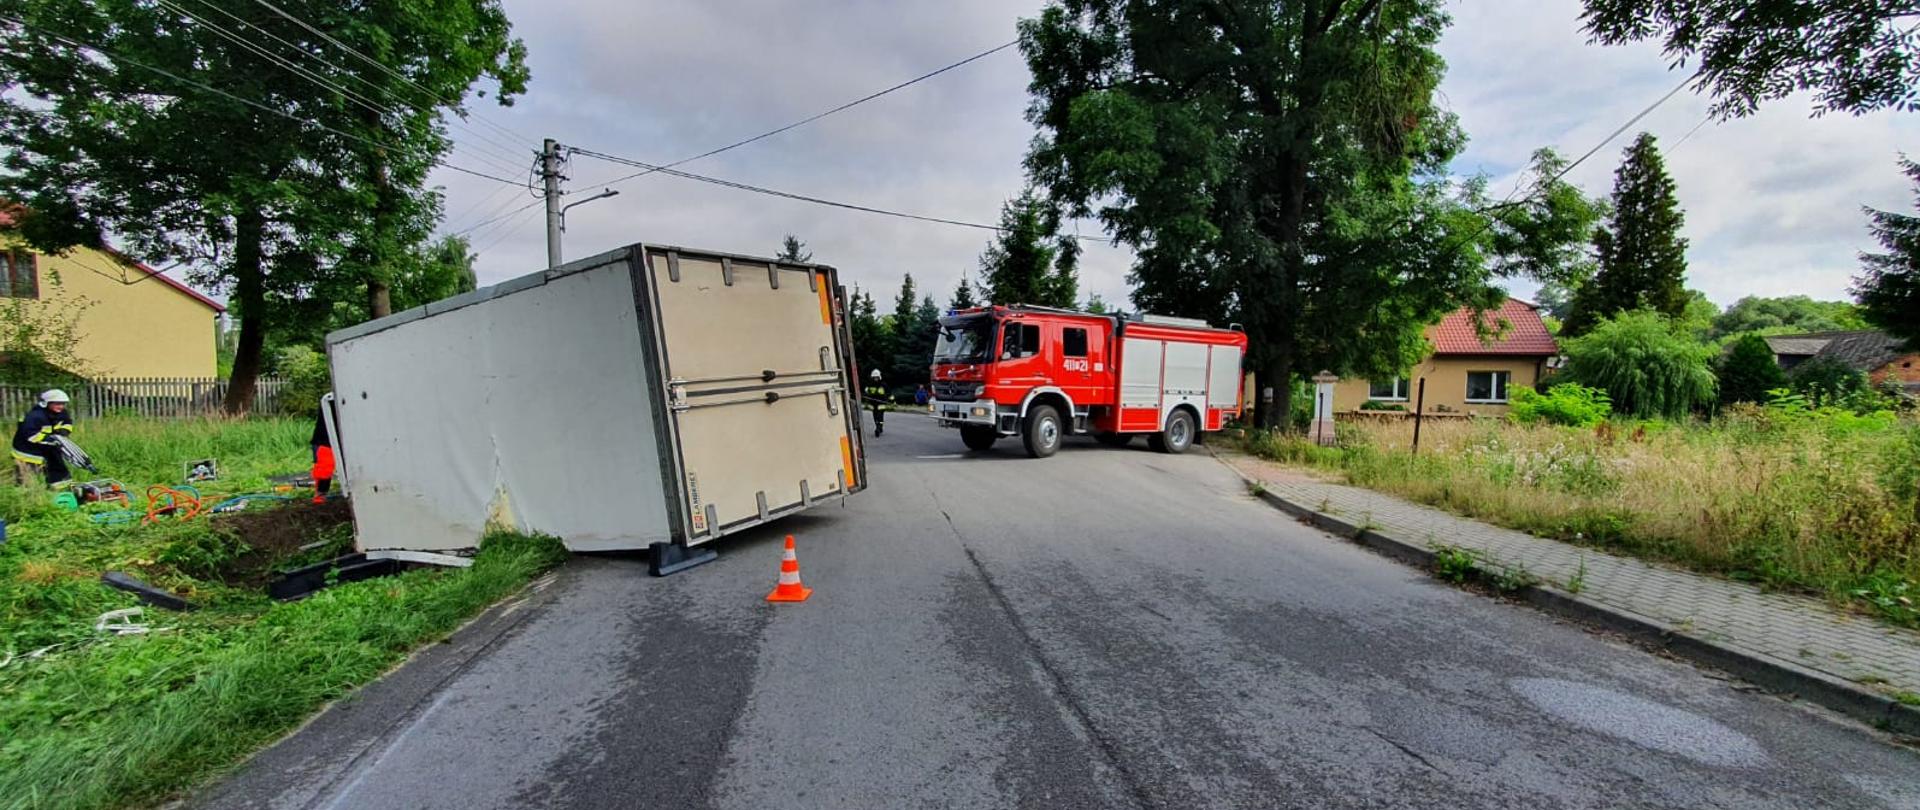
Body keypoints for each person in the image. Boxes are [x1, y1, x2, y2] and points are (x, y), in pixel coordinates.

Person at [11, 389, 75, 488]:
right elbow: (31, 436)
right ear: (47, 403)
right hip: (28, 452)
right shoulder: (35, 417)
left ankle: (60, 491)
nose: (61, 406)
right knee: (25, 479)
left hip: (48, 448)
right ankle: (25, 497)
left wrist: (63, 431)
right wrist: (50, 438)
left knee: (59, 471)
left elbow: (67, 422)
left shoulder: (61, 412)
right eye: (57, 404)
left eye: (63, 404)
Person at [310, 407, 335, 504]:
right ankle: (319, 498)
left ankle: (320, 496)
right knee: (324, 471)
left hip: (332, 440)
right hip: (324, 441)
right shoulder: (330, 400)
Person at [863, 369, 888, 436]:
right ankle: (878, 426)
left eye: (877, 377)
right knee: (875, 417)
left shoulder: (883, 385)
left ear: (879, 377)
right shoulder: (870, 385)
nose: (875, 379)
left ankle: (879, 428)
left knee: (880, 416)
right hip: (873, 404)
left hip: (881, 404)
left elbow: (888, 393)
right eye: (874, 377)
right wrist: (866, 395)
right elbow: (866, 392)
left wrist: (890, 400)